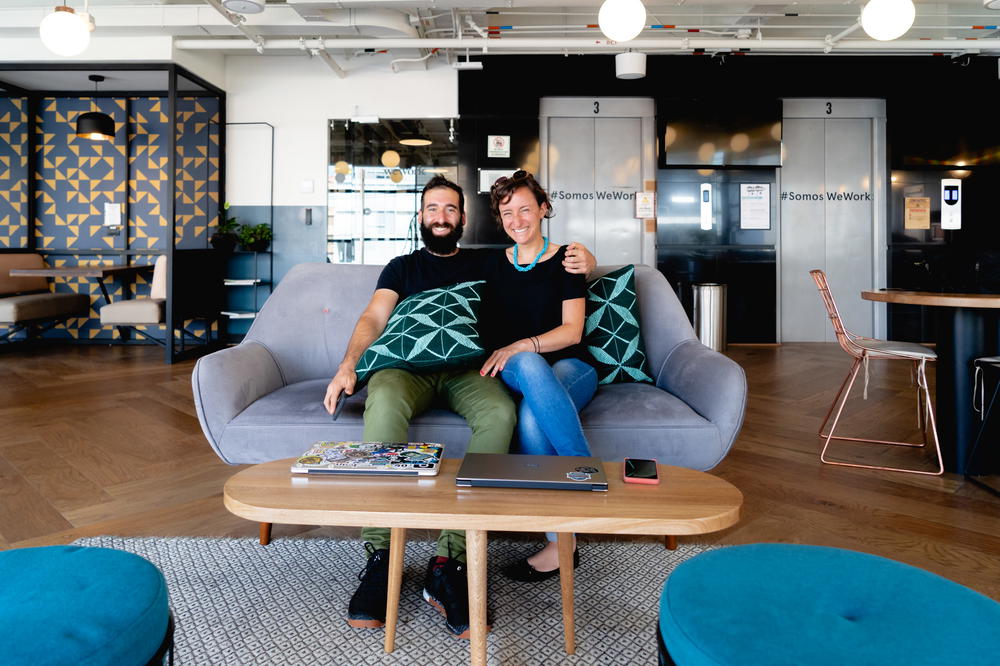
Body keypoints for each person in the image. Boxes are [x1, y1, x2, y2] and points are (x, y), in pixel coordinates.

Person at [322, 175, 595, 638]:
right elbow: (373, 317)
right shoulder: (401, 267)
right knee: (384, 401)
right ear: (421, 216)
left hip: (468, 372)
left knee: (501, 414)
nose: (441, 217)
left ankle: (452, 558)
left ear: (464, 219)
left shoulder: (488, 262)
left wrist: (587, 258)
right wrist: (349, 364)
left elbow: (538, 261)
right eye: (433, 209)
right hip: (404, 370)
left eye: (450, 209)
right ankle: (382, 555)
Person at [479, 170, 599, 583]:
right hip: (516, 369)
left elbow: (572, 332)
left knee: (532, 416)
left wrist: (522, 343)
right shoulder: (491, 266)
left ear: (544, 209)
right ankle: (588, 481)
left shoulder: (568, 259)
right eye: (507, 212)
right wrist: (518, 353)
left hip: (573, 366)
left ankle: (560, 543)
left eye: (525, 209)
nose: (517, 220)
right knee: (529, 367)